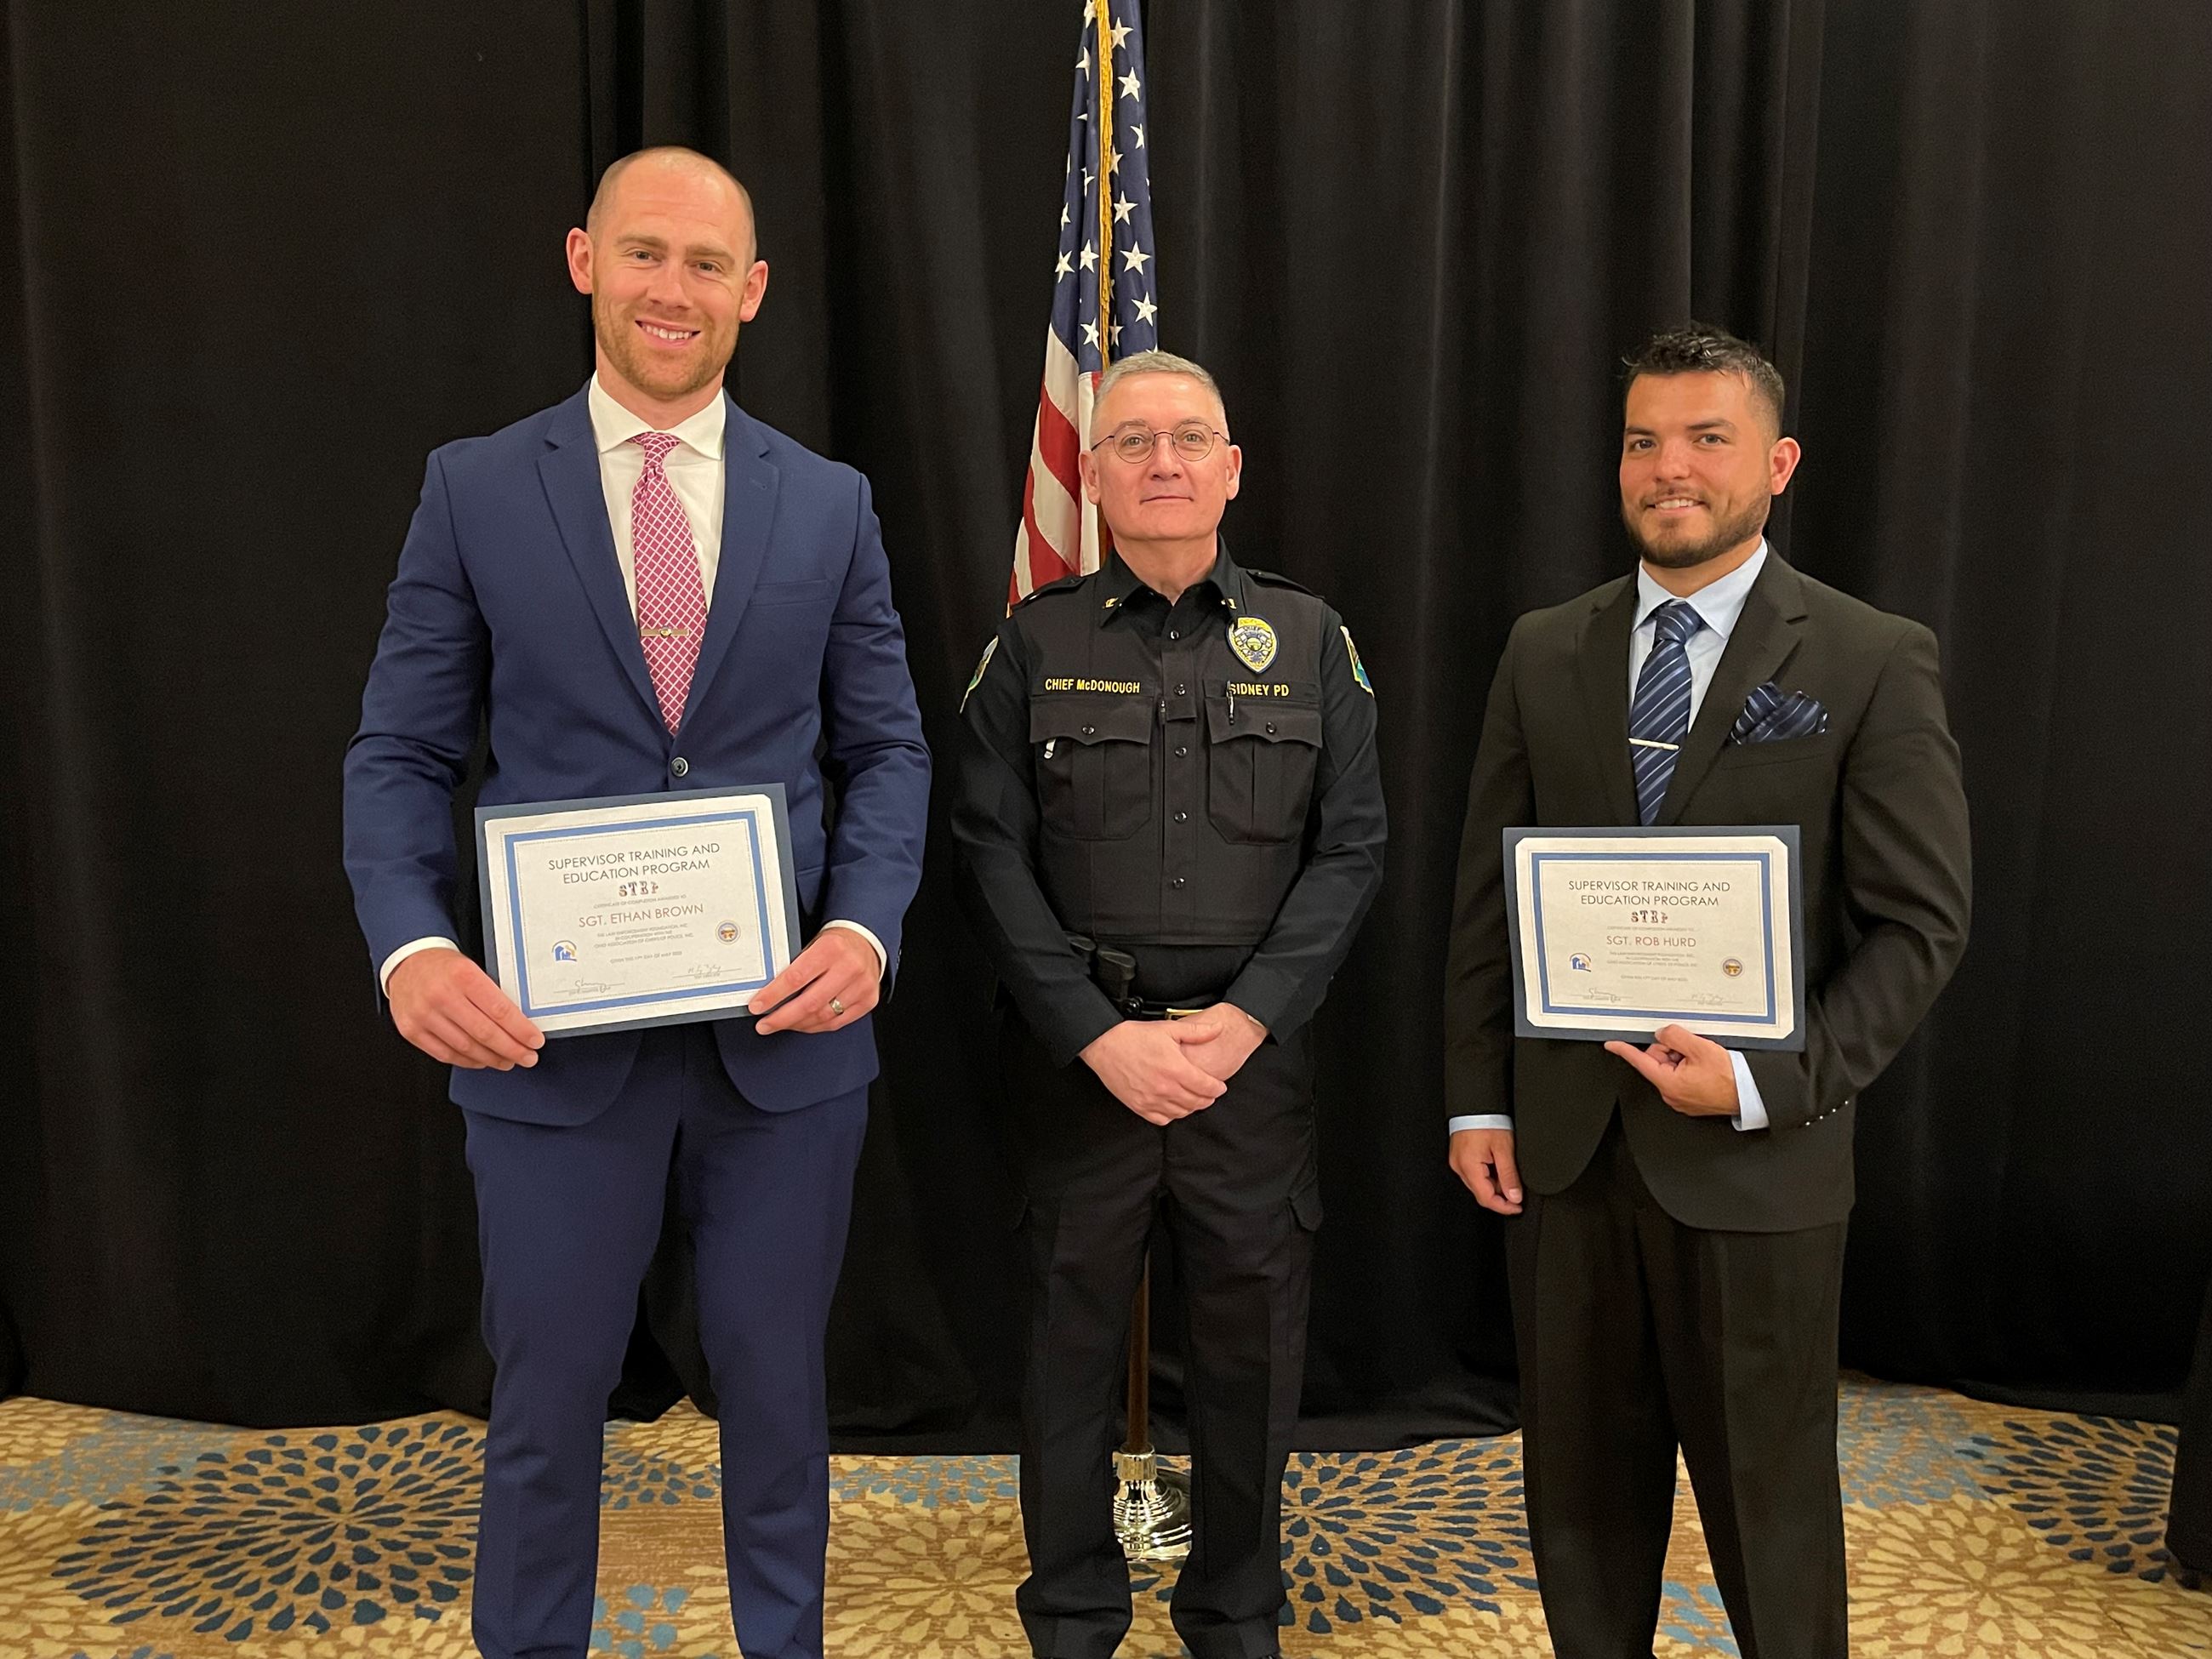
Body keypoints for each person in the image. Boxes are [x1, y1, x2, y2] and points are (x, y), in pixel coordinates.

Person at [340, 146, 929, 1659]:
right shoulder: (473, 487)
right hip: (549, 1050)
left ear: (756, 291)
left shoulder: (833, 502)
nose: (678, 288)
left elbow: (886, 749)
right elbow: (401, 749)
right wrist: (412, 949)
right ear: (585, 260)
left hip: (783, 1045)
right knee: (544, 1410)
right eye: (646, 253)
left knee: (783, 1403)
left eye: (708, 262)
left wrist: (864, 926)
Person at [1443, 325, 1971, 1658]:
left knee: (1773, 1514)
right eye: (1642, 440)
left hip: (1759, 1160)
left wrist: (1762, 1079)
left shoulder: (1867, 655)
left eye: (1706, 438)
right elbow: (1484, 900)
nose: (1668, 467)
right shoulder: (1543, 647)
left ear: (1777, 463)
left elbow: (1921, 924)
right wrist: (1475, 1104)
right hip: (1566, 1155)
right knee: (1577, 1507)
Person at [953, 349, 1385, 1659]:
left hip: (1250, 1069)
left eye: (1189, 438)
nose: (1161, 463)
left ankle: (1234, 1609)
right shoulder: (1035, 642)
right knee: (1066, 1355)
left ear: (1231, 468)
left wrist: (1246, 1020)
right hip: (1085, 1065)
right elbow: (985, 851)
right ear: (1093, 471)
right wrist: (1096, 1035)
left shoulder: (1312, 639)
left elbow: (1353, 846)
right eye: (1132, 441)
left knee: (1252, 1362)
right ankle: (1075, 1611)